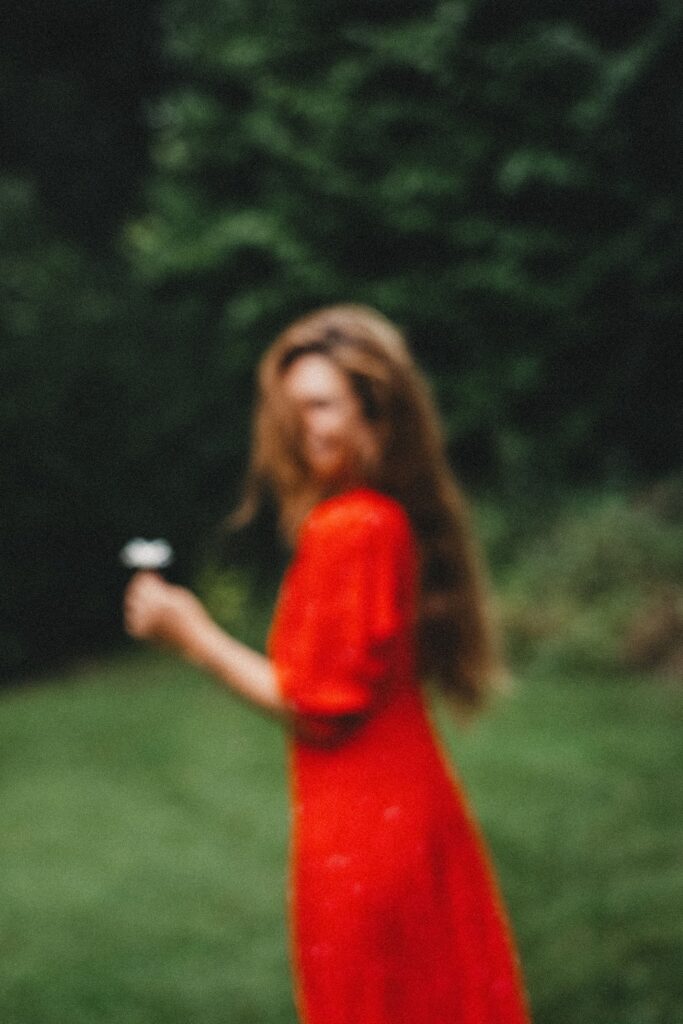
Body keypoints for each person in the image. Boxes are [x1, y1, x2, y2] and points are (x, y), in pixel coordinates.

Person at [124, 304, 531, 1024]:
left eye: (319, 405)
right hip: (407, 816)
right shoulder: (383, 518)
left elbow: (316, 710)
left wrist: (191, 634)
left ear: (377, 414)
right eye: (291, 409)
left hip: (365, 838)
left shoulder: (354, 527)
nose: (300, 426)